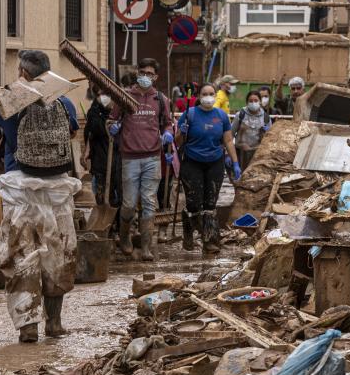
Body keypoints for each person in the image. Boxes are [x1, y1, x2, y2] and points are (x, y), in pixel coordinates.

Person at [0, 50, 80, 344]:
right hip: (58, 193)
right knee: (58, 257)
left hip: (22, 192)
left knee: (22, 258)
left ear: (22, 73)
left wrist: (12, 86)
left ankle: (28, 327)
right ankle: (55, 323)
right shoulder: (64, 103)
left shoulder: (11, 103)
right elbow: (73, 133)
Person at [109, 57, 173, 260]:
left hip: (152, 158)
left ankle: (146, 246)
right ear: (137, 73)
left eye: (149, 74)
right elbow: (111, 119)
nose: (145, 77)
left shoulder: (161, 100)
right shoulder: (125, 96)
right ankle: (125, 236)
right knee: (128, 204)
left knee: (148, 203)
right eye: (142, 73)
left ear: (156, 77)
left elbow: (168, 123)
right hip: (129, 158)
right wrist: (112, 127)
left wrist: (168, 132)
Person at [176, 83, 239, 254]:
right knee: (194, 203)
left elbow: (227, 140)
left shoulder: (221, 116)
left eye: (212, 93)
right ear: (198, 96)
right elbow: (178, 142)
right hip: (192, 162)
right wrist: (181, 132)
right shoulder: (190, 114)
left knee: (210, 203)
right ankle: (189, 232)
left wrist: (235, 162)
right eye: (205, 93)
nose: (209, 97)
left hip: (215, 162)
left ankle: (210, 240)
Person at [81, 86, 120, 209]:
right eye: (100, 95)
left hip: (118, 160)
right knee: (101, 194)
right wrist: (86, 152)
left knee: (118, 195)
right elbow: (91, 133)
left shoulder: (119, 112)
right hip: (100, 159)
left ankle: (118, 221)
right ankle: (104, 214)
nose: (104, 98)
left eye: (106, 94)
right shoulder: (94, 112)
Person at [232, 90, 270, 171]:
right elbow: (230, 135)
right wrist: (228, 154)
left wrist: (267, 132)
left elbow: (270, 139)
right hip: (241, 154)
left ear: (260, 102)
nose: (253, 103)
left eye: (256, 100)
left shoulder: (266, 117)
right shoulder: (240, 115)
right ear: (246, 102)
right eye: (251, 101)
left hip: (258, 156)